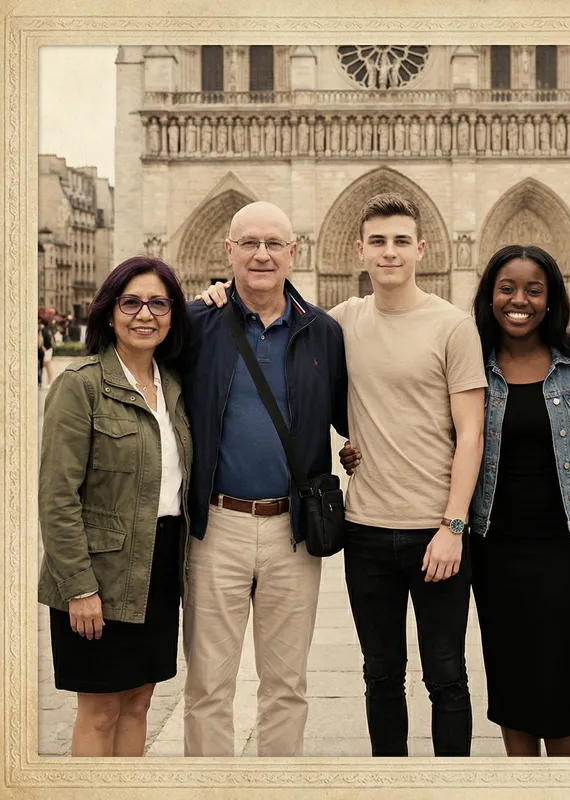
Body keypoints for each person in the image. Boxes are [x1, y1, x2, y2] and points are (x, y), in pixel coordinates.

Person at [199, 193, 486, 758]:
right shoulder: (341, 322)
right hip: (366, 529)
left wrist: (454, 525)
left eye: (401, 241)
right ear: (357, 251)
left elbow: (472, 433)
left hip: (437, 532)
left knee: (447, 675)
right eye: (378, 241)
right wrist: (219, 295)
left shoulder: (453, 325)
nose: (389, 252)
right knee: (380, 674)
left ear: (423, 249)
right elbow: (286, 322)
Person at [181, 201, 349, 758]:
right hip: (217, 528)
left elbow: (359, 414)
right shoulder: (195, 324)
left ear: (294, 252)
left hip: (291, 531)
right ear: (227, 251)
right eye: (248, 243)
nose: (261, 254)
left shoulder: (323, 332)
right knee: (208, 687)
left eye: (274, 243)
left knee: (287, 687)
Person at [37, 256, 193, 757]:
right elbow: (57, 497)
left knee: (140, 700)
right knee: (100, 709)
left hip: (160, 563)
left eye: (158, 303)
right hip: (100, 570)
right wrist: (79, 587)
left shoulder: (173, 386)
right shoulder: (79, 384)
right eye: (131, 302)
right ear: (109, 313)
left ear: (172, 315)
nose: (144, 314)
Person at [468, 244, 570, 757]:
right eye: (506, 288)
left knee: (561, 682)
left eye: (533, 289)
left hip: (567, 547)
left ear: (552, 299)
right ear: (489, 296)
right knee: (510, 682)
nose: (518, 300)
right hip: (494, 549)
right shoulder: (471, 363)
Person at [41, 320, 55, 387]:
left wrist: (43, 349)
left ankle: (48, 382)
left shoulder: (43, 331)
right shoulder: (48, 330)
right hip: (49, 349)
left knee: (46, 366)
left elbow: (41, 341)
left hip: (46, 350)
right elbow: (52, 340)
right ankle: (49, 382)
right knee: (48, 366)